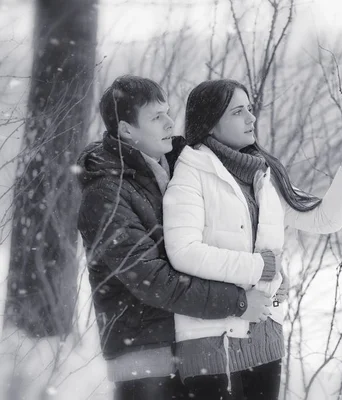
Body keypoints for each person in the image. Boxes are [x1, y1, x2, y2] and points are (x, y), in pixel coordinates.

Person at [162, 78, 342, 399]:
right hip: (211, 341)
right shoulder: (191, 173)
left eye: (250, 109)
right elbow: (184, 253)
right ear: (210, 124)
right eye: (238, 112)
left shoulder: (263, 176)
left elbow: (325, 218)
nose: (252, 119)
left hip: (264, 337)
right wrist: (262, 268)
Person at [76, 75, 273, 400]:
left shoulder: (179, 162)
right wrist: (237, 302)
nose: (170, 122)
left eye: (168, 112)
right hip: (144, 355)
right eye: (156, 117)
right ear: (126, 130)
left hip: (194, 340)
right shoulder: (105, 196)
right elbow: (152, 279)